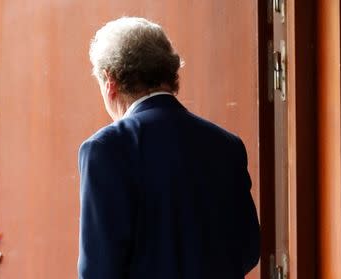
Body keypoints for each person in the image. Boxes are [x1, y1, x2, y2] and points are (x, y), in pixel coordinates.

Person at [78, 17, 260, 279]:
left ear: (110, 81)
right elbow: (248, 250)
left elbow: (98, 269)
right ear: (169, 73)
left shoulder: (106, 149)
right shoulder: (226, 144)